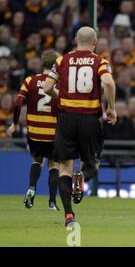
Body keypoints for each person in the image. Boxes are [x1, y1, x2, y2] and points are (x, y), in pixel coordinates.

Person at [43, 26, 117, 227]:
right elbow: (108, 83)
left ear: (76, 40)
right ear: (95, 43)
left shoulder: (61, 60)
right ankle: (82, 176)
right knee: (93, 164)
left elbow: (47, 87)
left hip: (66, 118)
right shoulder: (100, 61)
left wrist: (63, 97)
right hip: (90, 119)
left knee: (65, 167)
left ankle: (68, 215)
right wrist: (111, 108)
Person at [6, 50, 60, 210]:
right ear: (55, 65)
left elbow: (17, 103)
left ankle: (31, 189)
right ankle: (52, 202)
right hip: (53, 133)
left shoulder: (30, 80)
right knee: (54, 166)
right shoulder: (59, 83)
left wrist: (14, 124)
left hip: (34, 132)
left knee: (37, 161)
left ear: (42, 63)